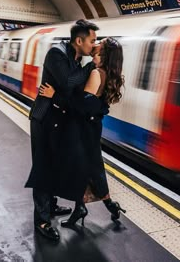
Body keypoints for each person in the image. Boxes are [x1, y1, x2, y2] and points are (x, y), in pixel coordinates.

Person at [39, 37, 126, 228]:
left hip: (82, 129)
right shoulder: (107, 73)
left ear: (103, 53)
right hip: (91, 127)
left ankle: (94, 207)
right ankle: (94, 207)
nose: (95, 43)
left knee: (84, 168)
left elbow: (80, 106)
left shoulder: (96, 73)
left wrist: (54, 96)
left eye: (99, 43)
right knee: (88, 168)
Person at [25, 20, 99, 242]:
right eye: (92, 41)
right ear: (79, 40)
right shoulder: (56, 54)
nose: (94, 45)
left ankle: (52, 205)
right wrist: (91, 65)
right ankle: (42, 220)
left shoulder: (76, 60)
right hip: (44, 119)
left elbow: (71, 96)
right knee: (43, 168)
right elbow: (68, 84)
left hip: (60, 120)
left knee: (55, 165)